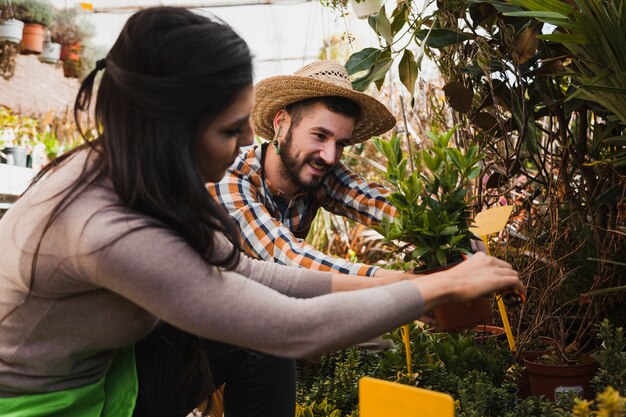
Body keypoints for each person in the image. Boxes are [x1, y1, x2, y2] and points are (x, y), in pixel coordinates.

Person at [0, 7, 524, 417]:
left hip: (106, 371)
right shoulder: (105, 227)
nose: (249, 140)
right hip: (53, 404)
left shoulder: (136, 172)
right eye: (232, 130)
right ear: (171, 130)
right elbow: (289, 328)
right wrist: (436, 289)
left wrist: (436, 260)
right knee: (263, 340)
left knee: (256, 338)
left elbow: (251, 273)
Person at [209, 60, 406, 277]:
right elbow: (288, 257)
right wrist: (393, 279)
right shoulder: (230, 177)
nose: (330, 157)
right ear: (281, 125)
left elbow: (377, 205)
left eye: (340, 143)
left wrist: (439, 228)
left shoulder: (320, 172)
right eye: (320, 136)